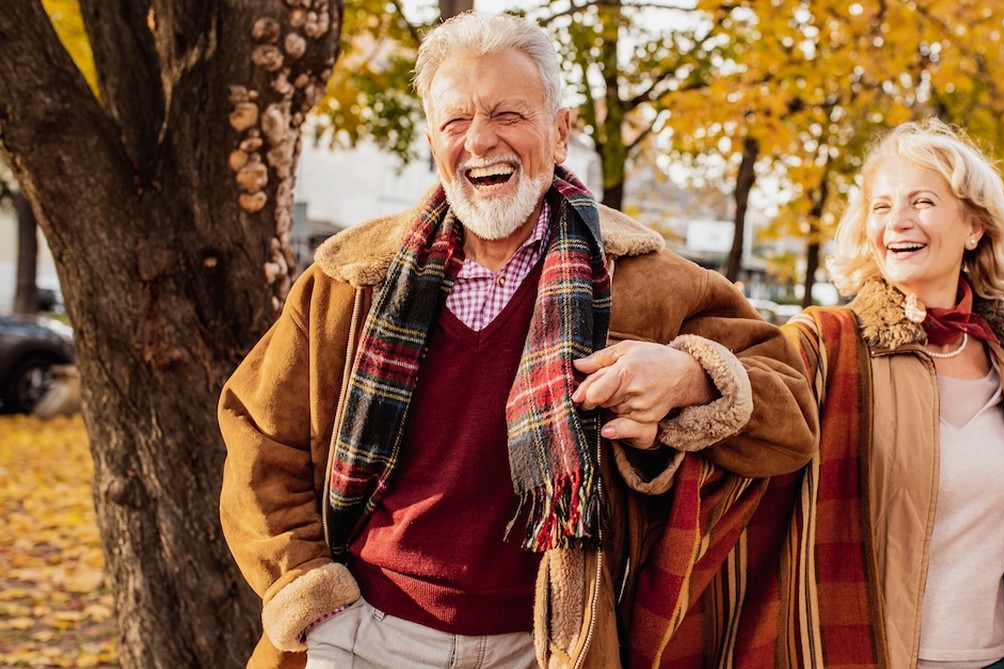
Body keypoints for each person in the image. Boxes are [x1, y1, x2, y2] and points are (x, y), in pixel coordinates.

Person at [217, 11, 817, 669]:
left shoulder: (647, 281)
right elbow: (257, 433)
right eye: (455, 121)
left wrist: (688, 376)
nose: (479, 141)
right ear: (431, 139)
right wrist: (307, 586)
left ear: (559, 132)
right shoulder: (349, 282)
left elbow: (789, 418)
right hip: (362, 632)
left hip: (546, 646)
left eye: (509, 114)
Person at [659, 120, 1004, 668]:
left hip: (997, 659)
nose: (897, 222)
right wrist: (688, 375)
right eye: (881, 207)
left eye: (923, 201)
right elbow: (751, 390)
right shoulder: (827, 343)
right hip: (860, 652)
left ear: (974, 228)